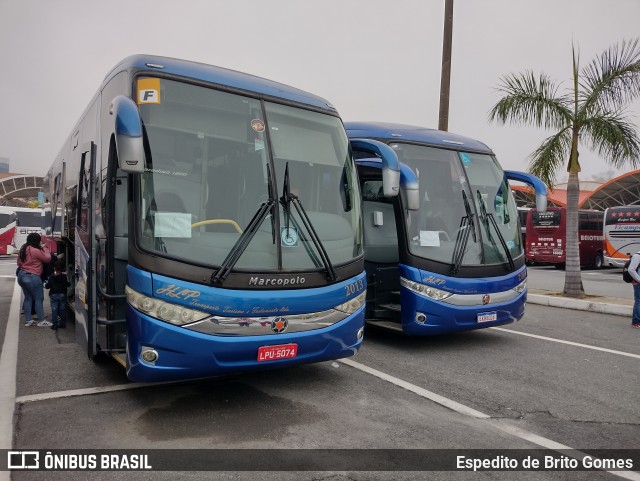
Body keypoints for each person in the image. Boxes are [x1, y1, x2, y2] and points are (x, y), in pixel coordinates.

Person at [16, 233, 52, 327]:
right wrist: (45, 248)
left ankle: (29, 320)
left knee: (28, 298)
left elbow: (19, 263)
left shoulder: (23, 248)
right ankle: (41, 320)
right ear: (36, 241)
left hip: (21, 275)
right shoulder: (35, 250)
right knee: (38, 298)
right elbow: (47, 259)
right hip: (33, 276)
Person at [44, 260, 70, 330]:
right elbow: (68, 284)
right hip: (62, 294)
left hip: (53, 295)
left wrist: (45, 285)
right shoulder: (64, 277)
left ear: (54, 268)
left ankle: (54, 324)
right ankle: (62, 323)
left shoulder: (51, 277)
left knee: (54, 309)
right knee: (62, 309)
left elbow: (47, 286)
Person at [628, 251, 640, 328]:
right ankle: (636, 321)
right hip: (638, 283)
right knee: (639, 301)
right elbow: (631, 269)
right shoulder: (637, 256)